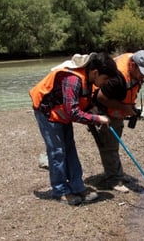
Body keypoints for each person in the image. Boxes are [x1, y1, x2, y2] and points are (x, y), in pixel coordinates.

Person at [29, 52, 118, 205]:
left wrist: (93, 109)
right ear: (96, 72)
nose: (104, 83)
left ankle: (77, 186)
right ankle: (60, 191)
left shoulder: (89, 79)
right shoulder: (73, 79)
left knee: (70, 148)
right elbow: (74, 113)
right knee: (57, 151)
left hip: (61, 112)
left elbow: (82, 101)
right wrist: (97, 119)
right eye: (104, 79)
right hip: (47, 112)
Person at [91, 50, 144, 193]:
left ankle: (117, 173)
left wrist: (128, 107)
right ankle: (113, 179)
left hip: (117, 108)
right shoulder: (117, 78)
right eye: (142, 72)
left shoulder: (133, 66)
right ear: (133, 65)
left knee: (114, 144)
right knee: (109, 145)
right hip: (103, 111)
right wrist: (124, 108)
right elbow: (101, 98)